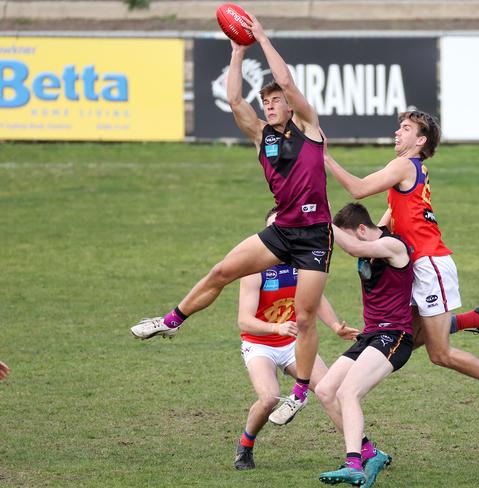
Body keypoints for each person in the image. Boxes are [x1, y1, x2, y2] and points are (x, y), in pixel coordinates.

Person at [131, 15, 332, 425]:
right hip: (281, 232)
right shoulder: (263, 136)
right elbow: (236, 101)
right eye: (268, 101)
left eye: (276, 100)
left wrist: (261, 37)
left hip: (314, 238)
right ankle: (171, 321)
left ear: (291, 105)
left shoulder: (311, 130)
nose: (271, 104)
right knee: (221, 271)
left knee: (306, 318)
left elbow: (289, 83)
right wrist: (238, 51)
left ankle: (298, 393)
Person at [324, 111, 479, 430]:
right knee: (406, 337)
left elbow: (359, 188)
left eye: (405, 128)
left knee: (439, 353)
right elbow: (392, 213)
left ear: (420, 141)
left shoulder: (405, 164)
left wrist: (323, 155)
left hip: (429, 264)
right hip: (422, 264)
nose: (398, 132)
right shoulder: (409, 171)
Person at [234, 208, 359, 470]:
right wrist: (276, 329)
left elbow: (316, 300)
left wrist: (336, 325)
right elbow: (244, 321)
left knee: (330, 392)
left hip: (293, 344)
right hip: (260, 344)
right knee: (269, 398)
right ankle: (245, 445)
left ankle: (363, 451)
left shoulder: (301, 264)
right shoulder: (254, 270)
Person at [315, 203, 414, 487]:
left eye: (351, 237)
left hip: (394, 336)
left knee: (348, 392)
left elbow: (356, 247)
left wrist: (320, 216)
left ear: (361, 230)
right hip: (370, 335)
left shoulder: (394, 246)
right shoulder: (373, 234)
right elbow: (390, 206)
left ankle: (354, 464)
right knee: (325, 390)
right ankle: (371, 453)